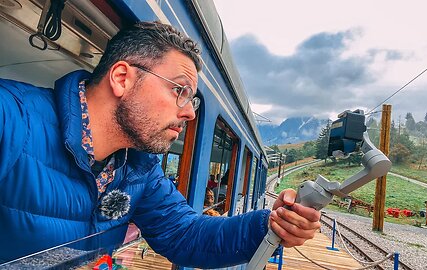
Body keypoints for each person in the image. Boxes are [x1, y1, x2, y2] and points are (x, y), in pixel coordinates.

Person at [0, 21, 320, 268]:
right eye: (179, 90)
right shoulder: (11, 119)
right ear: (122, 78)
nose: (189, 112)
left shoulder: (138, 167)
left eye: (192, 99)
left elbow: (185, 235)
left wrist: (270, 224)